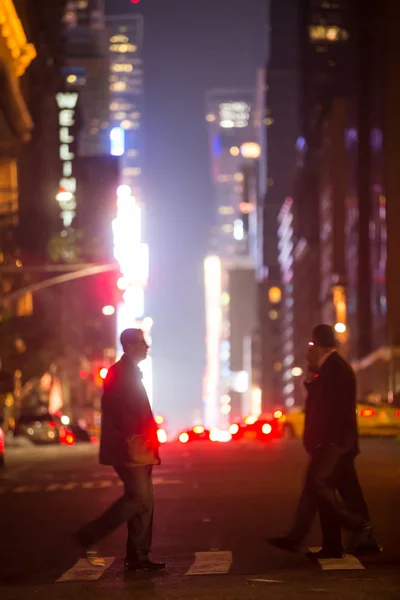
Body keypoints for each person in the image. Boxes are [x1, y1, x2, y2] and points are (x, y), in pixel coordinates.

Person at [269, 324, 381, 559]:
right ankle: (342, 542)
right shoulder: (330, 367)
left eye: (312, 345)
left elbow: (332, 408)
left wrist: (326, 443)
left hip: (333, 443)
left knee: (318, 487)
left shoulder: (336, 368)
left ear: (317, 344)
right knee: (346, 492)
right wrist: (311, 370)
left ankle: (355, 526)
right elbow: (317, 394)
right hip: (337, 444)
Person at [75, 328, 166, 572]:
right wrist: (134, 434)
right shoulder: (119, 372)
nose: (146, 346)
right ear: (130, 345)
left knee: (145, 502)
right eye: (142, 342)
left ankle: (138, 557)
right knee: (138, 497)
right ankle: (91, 534)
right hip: (130, 448)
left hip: (139, 446)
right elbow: (118, 411)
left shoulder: (131, 372)